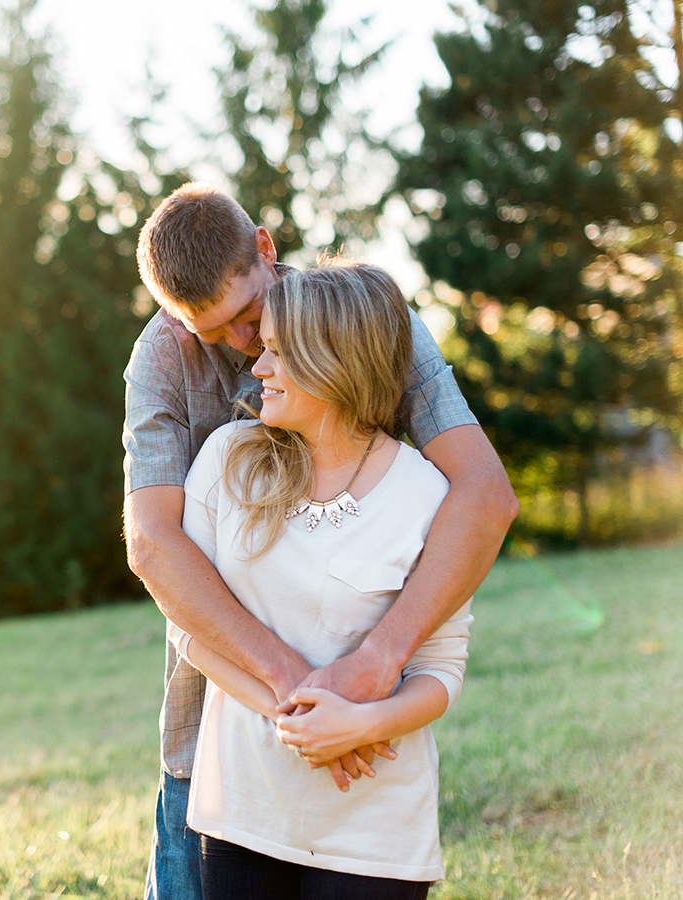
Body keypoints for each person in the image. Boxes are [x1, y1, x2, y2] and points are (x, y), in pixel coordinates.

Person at [122, 183, 518, 900]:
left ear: (266, 250)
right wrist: (295, 692)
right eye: (214, 333)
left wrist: (373, 666)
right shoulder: (164, 356)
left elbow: (484, 495)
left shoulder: (360, 319)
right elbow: (153, 546)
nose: (244, 350)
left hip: (366, 738)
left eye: (248, 318)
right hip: (219, 731)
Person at [171, 260, 473, 898]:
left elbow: (441, 671)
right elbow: (191, 631)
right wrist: (297, 714)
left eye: (279, 351)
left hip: (376, 831)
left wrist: (362, 727)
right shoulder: (227, 461)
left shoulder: (426, 495)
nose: (258, 367)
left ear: (334, 361)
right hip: (241, 814)